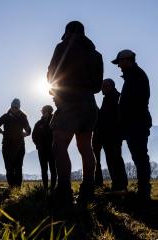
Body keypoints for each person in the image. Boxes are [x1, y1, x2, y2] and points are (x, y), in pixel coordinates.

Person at [47, 21, 103, 206]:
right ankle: (88, 189)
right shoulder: (96, 54)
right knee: (85, 147)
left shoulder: (62, 47)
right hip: (90, 104)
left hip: (69, 102)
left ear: (68, 32)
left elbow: (51, 74)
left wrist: (58, 92)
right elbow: (97, 86)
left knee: (59, 145)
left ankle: (64, 190)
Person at [112, 49, 152, 201]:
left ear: (128, 60)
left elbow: (133, 104)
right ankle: (143, 190)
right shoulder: (133, 76)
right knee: (139, 156)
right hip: (134, 123)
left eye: (120, 62)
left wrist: (123, 122)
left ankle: (143, 192)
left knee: (140, 157)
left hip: (136, 124)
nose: (119, 66)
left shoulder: (136, 77)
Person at [92, 79, 128, 191]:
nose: (102, 88)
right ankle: (118, 185)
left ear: (110, 86)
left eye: (104, 86)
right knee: (113, 160)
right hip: (109, 135)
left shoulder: (114, 97)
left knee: (114, 160)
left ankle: (120, 185)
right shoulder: (109, 98)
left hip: (112, 135)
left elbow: (112, 117)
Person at [0, 98, 31, 188]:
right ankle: (11, 186)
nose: (14, 108)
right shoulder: (5, 116)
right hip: (7, 145)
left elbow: (29, 130)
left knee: (18, 167)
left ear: (19, 107)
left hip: (19, 146)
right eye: (13, 106)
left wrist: (26, 133)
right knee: (9, 167)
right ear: (11, 106)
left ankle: (17, 187)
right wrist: (1, 132)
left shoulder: (23, 117)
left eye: (16, 107)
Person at [32, 105, 57, 193]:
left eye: (45, 111)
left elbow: (58, 134)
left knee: (53, 169)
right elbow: (34, 136)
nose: (43, 112)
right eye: (42, 111)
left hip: (53, 150)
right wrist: (38, 146)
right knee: (44, 169)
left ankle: (53, 188)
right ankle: (45, 188)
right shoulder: (38, 123)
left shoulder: (55, 121)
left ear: (49, 111)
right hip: (42, 150)